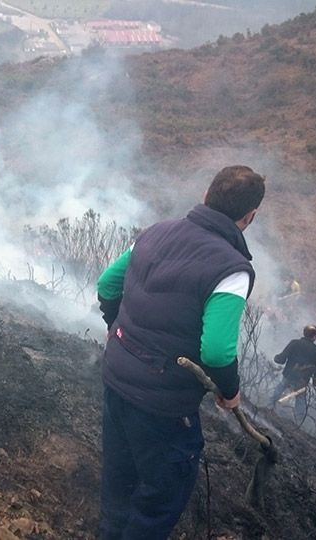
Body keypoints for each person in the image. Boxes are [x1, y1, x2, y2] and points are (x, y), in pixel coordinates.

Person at [95, 165, 265, 539]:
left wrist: (115, 329)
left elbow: (107, 285)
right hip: (163, 407)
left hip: (116, 379)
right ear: (249, 217)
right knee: (158, 502)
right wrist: (230, 390)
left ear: (206, 196)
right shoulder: (233, 270)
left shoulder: (155, 232)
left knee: (118, 487)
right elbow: (218, 351)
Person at [272, 324, 316, 420]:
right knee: (300, 400)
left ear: (304, 333)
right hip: (302, 381)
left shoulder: (294, 343)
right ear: (315, 336)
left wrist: (276, 358)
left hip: (289, 375)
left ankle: (269, 406)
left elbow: (282, 358)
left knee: (280, 388)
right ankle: (299, 422)